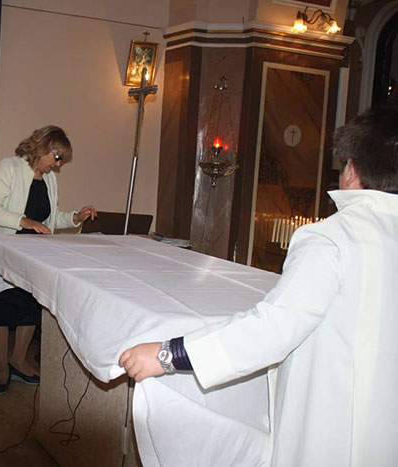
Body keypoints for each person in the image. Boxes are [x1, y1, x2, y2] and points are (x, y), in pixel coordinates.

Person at [119, 106, 398, 466]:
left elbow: (274, 327)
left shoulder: (333, 237)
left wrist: (167, 355)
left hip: (336, 429)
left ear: (351, 169)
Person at [0, 125, 97, 394]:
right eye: (57, 157)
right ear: (42, 148)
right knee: (0, 311)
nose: (58, 165)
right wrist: (22, 220)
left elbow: (50, 218)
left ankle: (18, 360)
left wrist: (75, 217)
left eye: (61, 159)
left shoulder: (48, 179)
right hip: (4, 249)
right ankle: (3, 366)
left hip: (33, 254)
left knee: (29, 309)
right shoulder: (10, 168)